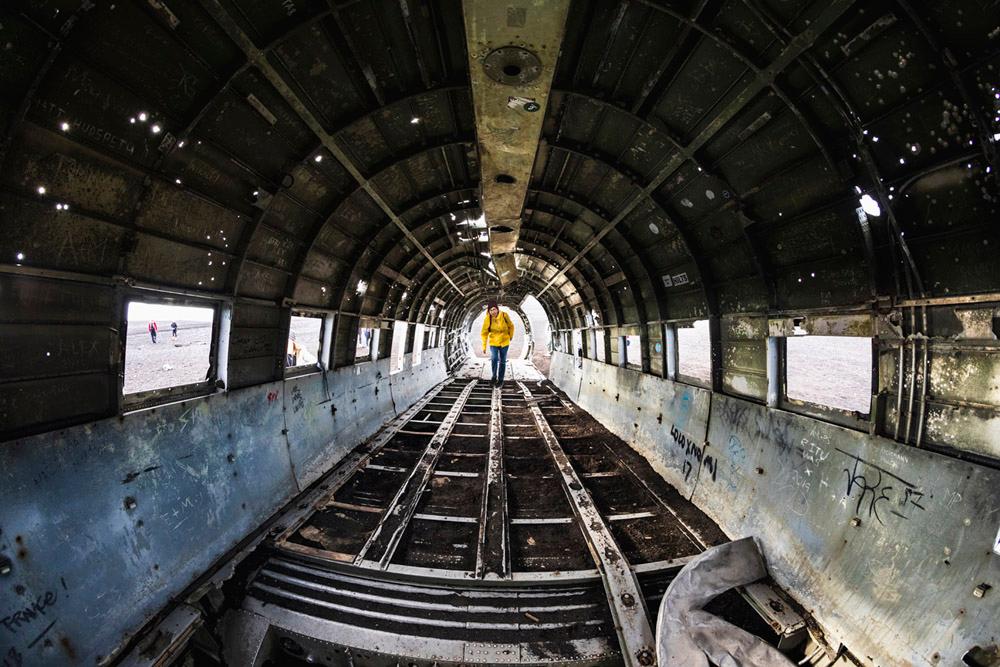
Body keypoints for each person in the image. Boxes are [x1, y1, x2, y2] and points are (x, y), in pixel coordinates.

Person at [480, 299, 514, 387]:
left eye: (494, 309)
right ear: (489, 311)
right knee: (494, 359)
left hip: (504, 342)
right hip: (494, 342)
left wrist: (510, 336)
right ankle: (494, 377)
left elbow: (511, 326)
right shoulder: (488, 319)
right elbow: (484, 333)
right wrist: (484, 346)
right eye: (490, 310)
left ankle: (501, 380)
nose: (493, 311)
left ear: (497, 309)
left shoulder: (504, 315)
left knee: (502, 361)